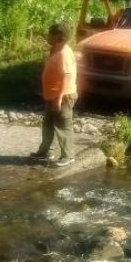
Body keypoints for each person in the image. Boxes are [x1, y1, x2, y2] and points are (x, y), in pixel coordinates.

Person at [31, 24, 78, 167]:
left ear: (58, 36)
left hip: (62, 97)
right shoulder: (56, 49)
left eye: (49, 34)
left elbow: (67, 76)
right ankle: (45, 152)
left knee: (63, 126)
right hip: (53, 96)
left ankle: (68, 156)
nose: (47, 37)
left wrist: (59, 98)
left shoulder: (64, 53)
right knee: (48, 124)